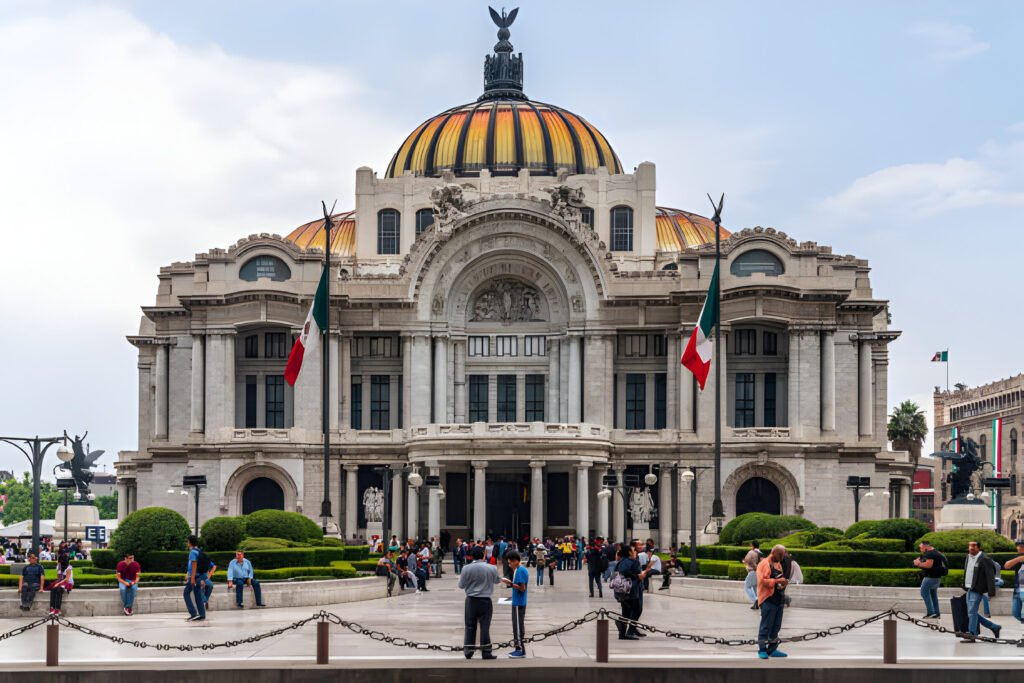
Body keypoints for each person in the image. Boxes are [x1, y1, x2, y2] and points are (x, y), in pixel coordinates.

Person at [458, 545, 501, 660]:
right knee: (485, 627)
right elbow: (497, 580)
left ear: (471, 556)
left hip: (471, 600)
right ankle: (486, 652)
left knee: (470, 626)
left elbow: (461, 585)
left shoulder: (466, 568)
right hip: (485, 600)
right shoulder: (491, 567)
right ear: (483, 555)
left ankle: (468, 651)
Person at [961, 540, 1001, 641]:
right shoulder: (968, 557)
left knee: (971, 612)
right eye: (970, 546)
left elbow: (990, 575)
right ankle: (994, 627)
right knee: (972, 612)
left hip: (978, 589)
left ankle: (972, 634)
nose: (971, 548)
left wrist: (991, 591)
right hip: (969, 588)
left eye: (974, 546)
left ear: (978, 547)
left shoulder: (984, 559)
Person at [756, 544, 790, 659]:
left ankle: (772, 649)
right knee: (766, 625)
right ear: (773, 552)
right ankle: (762, 649)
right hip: (768, 599)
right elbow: (762, 581)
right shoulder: (764, 564)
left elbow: (779, 579)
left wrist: (783, 583)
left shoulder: (778, 564)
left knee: (776, 626)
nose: (781, 558)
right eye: (779, 555)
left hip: (778, 598)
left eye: (782, 555)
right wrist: (776, 581)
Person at [613, 544, 649, 640]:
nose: (635, 552)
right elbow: (626, 572)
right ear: (629, 552)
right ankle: (630, 631)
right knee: (637, 609)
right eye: (633, 550)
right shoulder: (631, 561)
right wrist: (638, 576)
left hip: (622, 590)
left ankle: (623, 632)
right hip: (631, 589)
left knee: (626, 611)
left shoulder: (621, 562)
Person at [501, 550, 529, 658]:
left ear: (516, 561)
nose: (509, 565)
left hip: (518, 602)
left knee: (517, 626)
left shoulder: (520, 570)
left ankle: (520, 649)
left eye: (510, 563)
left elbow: (522, 588)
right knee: (517, 625)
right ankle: (518, 648)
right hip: (518, 601)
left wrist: (510, 583)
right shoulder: (519, 569)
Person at [913, 540, 946, 619]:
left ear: (926, 547)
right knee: (933, 595)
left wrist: (917, 563)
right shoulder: (937, 552)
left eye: (921, 548)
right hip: (937, 578)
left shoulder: (930, 554)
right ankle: (936, 613)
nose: (920, 549)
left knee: (923, 593)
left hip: (930, 578)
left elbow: (928, 565)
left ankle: (931, 612)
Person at [183, 535, 207, 622]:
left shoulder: (193, 552)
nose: (187, 543)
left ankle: (198, 614)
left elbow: (194, 565)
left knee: (195, 595)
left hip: (195, 577)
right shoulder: (198, 551)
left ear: (190, 542)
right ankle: (197, 614)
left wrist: (192, 578)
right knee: (189, 593)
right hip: (195, 576)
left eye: (187, 541)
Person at [1003, 540, 1024, 624]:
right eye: (1017, 546)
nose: (1017, 548)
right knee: (1015, 613)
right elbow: (1006, 566)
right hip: (1017, 590)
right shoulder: (1017, 558)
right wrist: (1018, 559)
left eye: (1019, 546)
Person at [116, 552, 141, 616]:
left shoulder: (136, 564)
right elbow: (118, 578)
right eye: (130, 558)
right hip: (123, 580)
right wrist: (125, 583)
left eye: (133, 558)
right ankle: (128, 607)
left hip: (132, 580)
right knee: (123, 589)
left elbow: (137, 577)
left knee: (133, 588)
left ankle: (127, 608)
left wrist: (133, 582)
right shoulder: (120, 564)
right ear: (125, 558)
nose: (132, 559)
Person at [743, 541, 763, 609]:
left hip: (752, 571)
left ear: (753, 546)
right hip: (758, 572)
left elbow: (746, 560)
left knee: (747, 587)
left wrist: (746, 562)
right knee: (755, 587)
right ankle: (757, 603)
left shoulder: (751, 552)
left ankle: (755, 600)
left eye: (751, 545)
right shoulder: (760, 553)